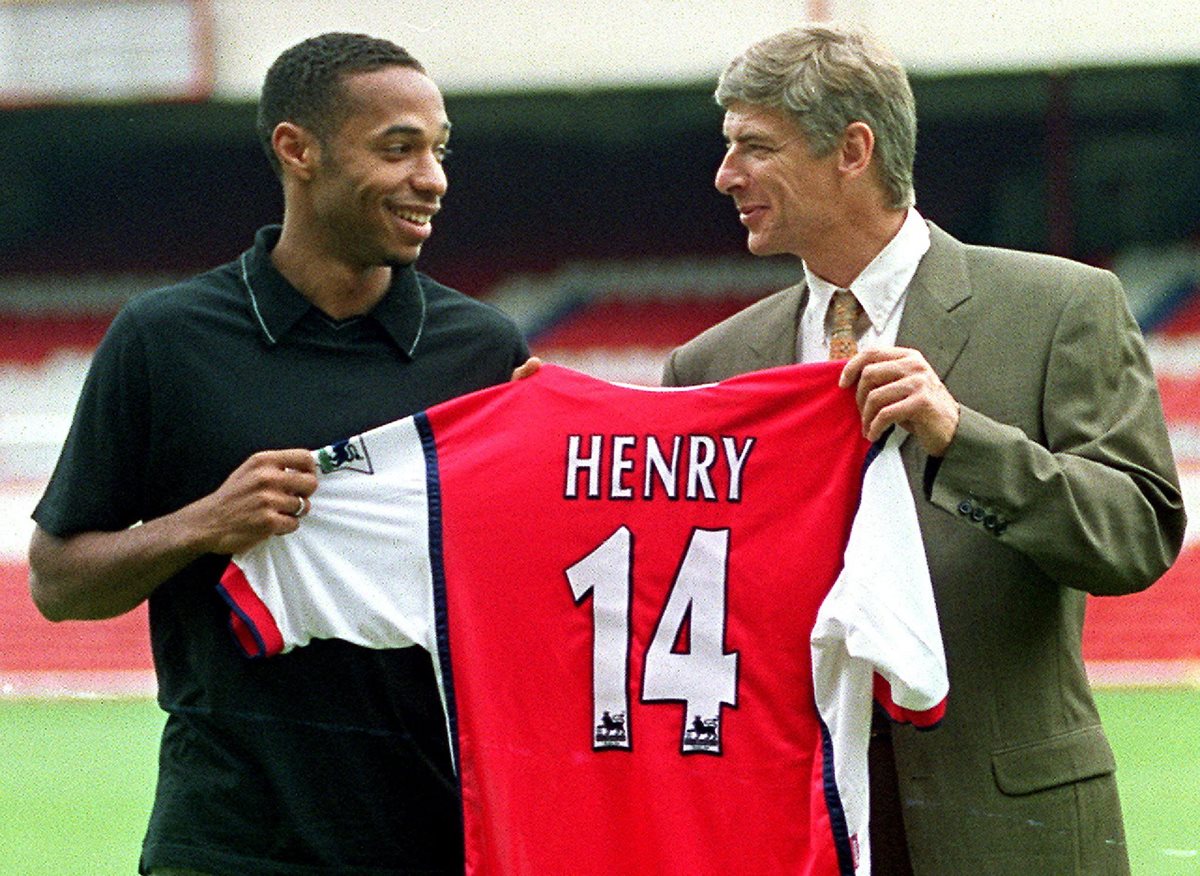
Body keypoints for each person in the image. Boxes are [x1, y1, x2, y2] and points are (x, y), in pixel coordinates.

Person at [662, 23, 1186, 875]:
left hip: (1005, 826)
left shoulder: (1061, 308)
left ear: (853, 149)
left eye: (753, 147)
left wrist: (963, 440)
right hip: (791, 824)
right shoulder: (707, 366)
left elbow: (1135, 537)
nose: (726, 176)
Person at [28, 32, 532, 875]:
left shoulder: (482, 355)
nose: (433, 179)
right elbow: (58, 581)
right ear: (298, 150)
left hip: (436, 835)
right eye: (398, 148)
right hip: (227, 840)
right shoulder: (167, 339)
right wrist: (202, 524)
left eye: (439, 150)